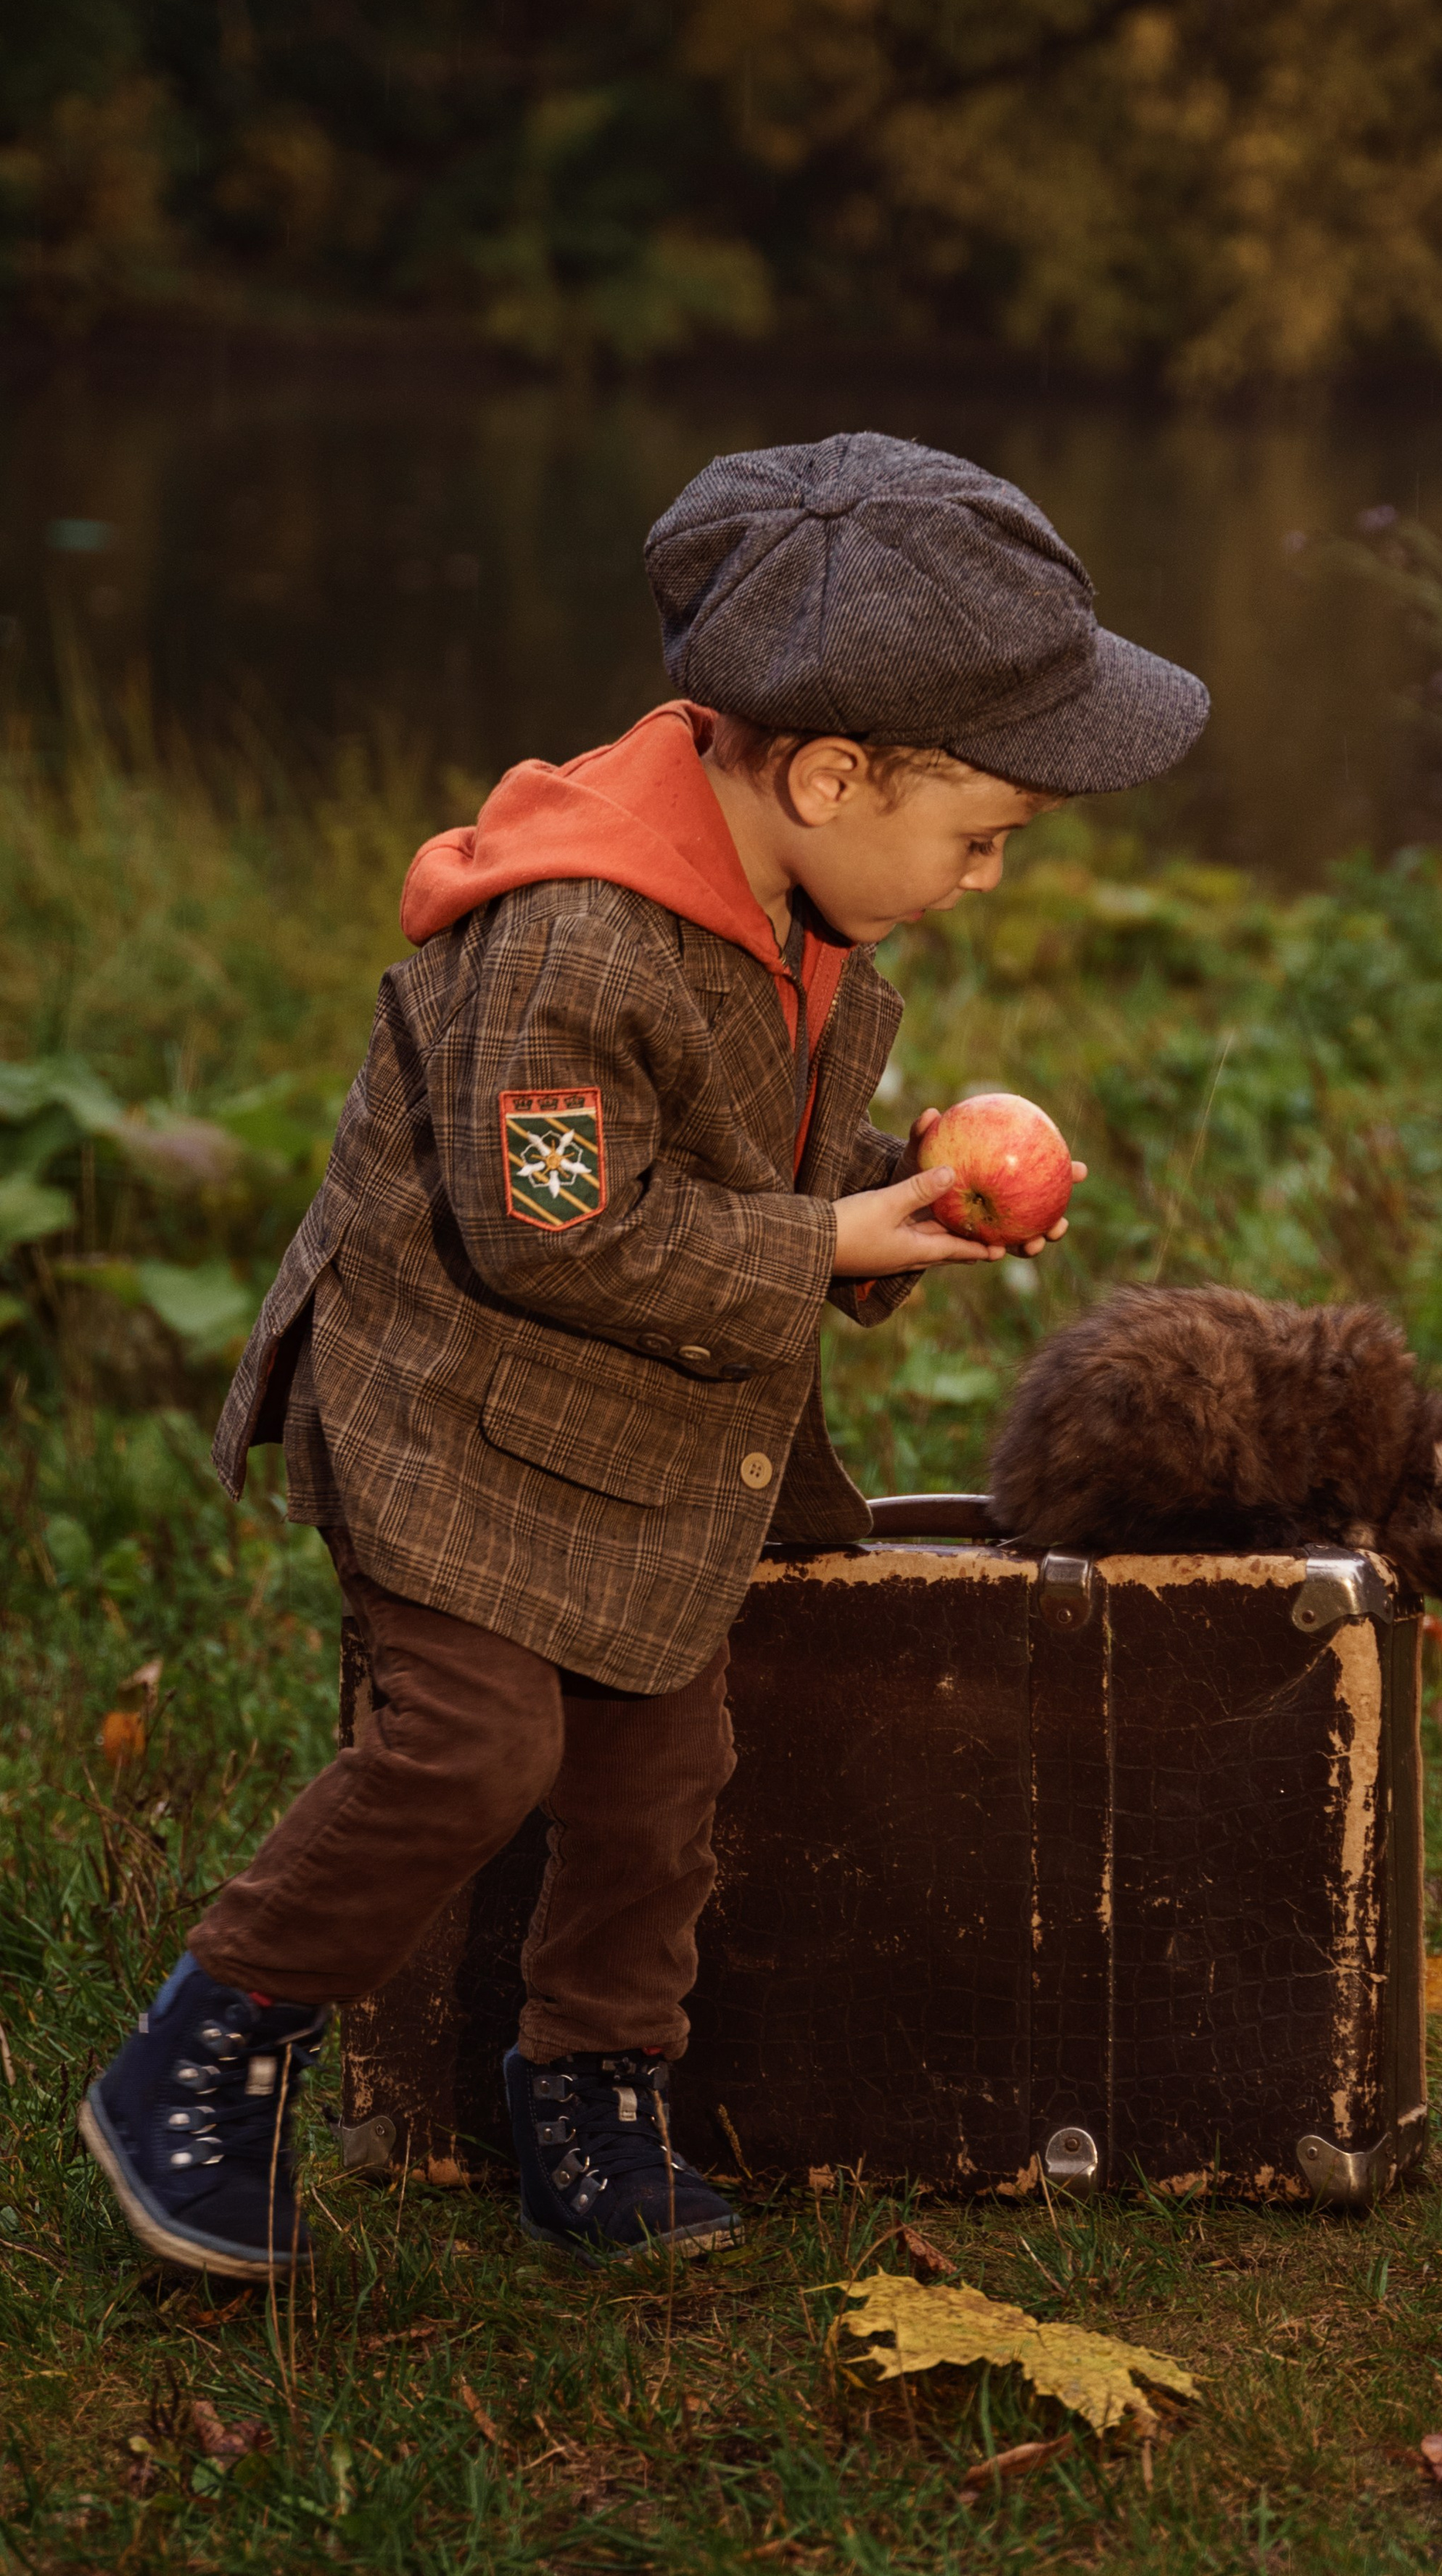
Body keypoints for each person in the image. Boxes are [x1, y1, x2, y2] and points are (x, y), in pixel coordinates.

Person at [80, 431, 1208, 2279]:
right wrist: (822, 1239)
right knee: (468, 1749)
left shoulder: (780, 886)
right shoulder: (573, 940)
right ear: (833, 774)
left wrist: (880, 1193)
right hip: (454, 1417)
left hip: (625, 1441)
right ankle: (208, 2046)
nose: (990, 878)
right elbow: (557, 1228)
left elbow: (697, 1151)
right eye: (981, 836)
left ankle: (592, 2094)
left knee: (655, 1780)